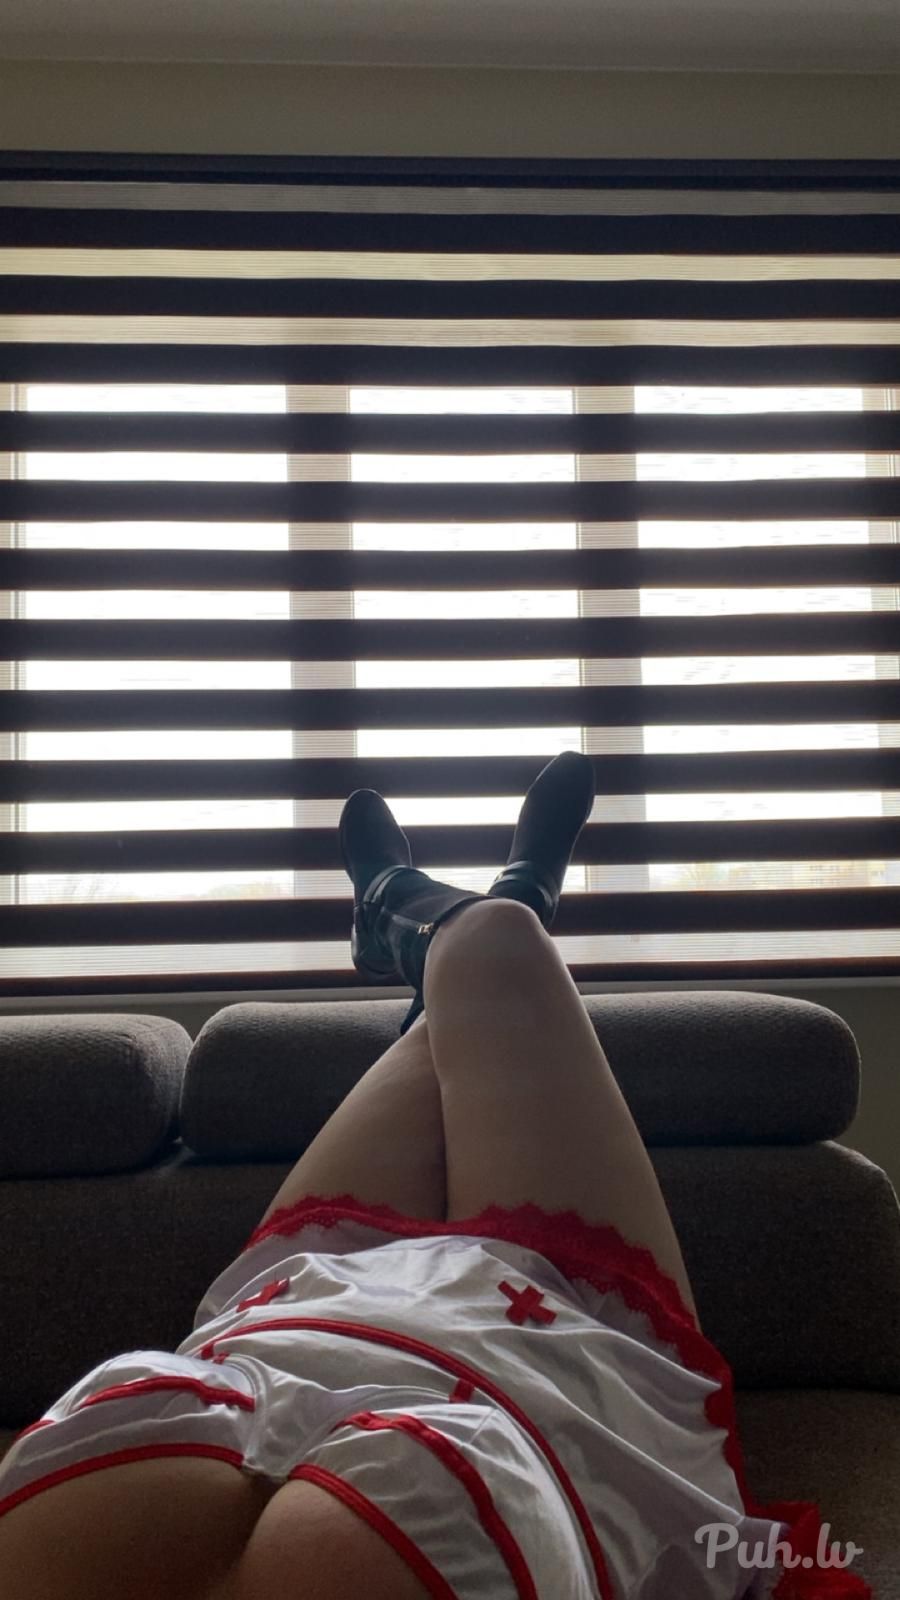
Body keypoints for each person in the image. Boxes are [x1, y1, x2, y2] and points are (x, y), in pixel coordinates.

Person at [0, 753, 870, 1599]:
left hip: (299, 1316)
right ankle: (457, 901)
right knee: (496, 946)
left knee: (464, 998)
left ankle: (432, 913)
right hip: (546, 1360)